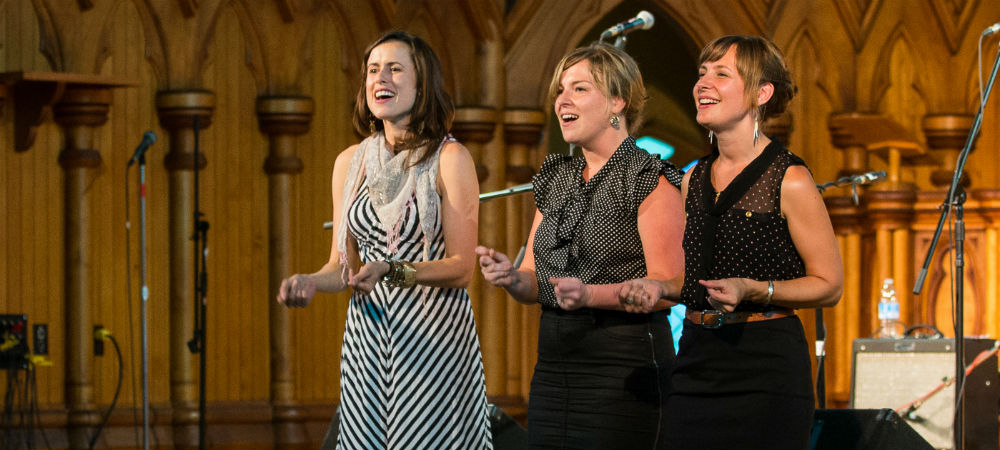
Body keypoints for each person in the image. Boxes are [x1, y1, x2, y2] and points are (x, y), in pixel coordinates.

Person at [620, 35, 844, 450]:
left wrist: (755, 289)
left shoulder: (789, 178)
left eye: (721, 74)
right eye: (702, 73)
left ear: (761, 93)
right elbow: (695, 279)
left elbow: (829, 284)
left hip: (766, 367)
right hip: (696, 362)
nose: (703, 83)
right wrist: (659, 287)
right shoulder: (694, 178)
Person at [277, 30, 491, 450]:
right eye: (373, 70)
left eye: (395, 69)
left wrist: (393, 270)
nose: (381, 79)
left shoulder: (450, 158)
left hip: (432, 339)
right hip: (368, 341)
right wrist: (309, 282)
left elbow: (462, 267)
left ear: (422, 83)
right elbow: (344, 267)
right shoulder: (349, 163)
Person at [476, 43, 685, 450]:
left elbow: (666, 286)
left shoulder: (649, 178)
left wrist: (590, 294)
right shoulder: (557, 178)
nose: (562, 100)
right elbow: (537, 281)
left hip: (623, 370)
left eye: (579, 89)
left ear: (617, 101)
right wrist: (511, 277)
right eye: (560, 90)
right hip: (555, 371)